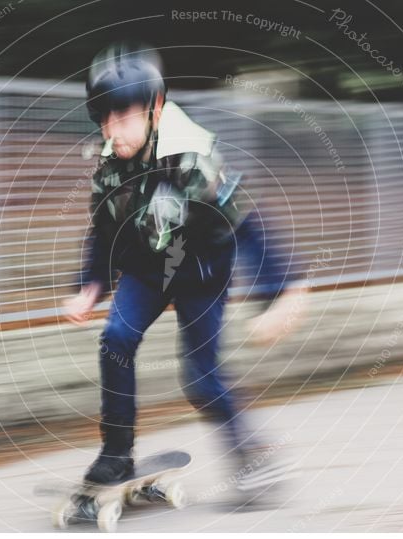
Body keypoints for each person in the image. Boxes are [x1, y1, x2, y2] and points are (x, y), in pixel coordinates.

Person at [64, 41, 308, 496]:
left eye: (125, 115)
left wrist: (284, 291)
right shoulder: (108, 164)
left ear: (155, 107)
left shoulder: (191, 159)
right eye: (105, 117)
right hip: (148, 268)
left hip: (201, 271)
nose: (114, 129)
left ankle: (253, 458)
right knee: (116, 338)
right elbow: (103, 230)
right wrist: (90, 284)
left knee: (200, 379)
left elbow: (249, 224)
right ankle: (116, 455)